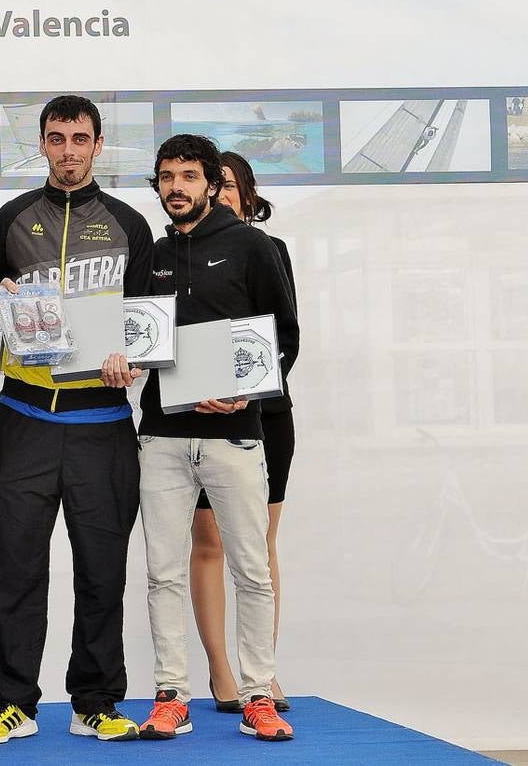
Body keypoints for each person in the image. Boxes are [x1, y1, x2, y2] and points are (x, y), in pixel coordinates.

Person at [0, 95, 155, 745]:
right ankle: (12, 703)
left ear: (99, 145)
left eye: (81, 138)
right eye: (57, 138)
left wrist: (131, 357)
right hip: (24, 418)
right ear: (42, 145)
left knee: (102, 570)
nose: (69, 150)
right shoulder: (11, 219)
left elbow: (149, 323)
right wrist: (1, 300)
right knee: (14, 568)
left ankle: (95, 702)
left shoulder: (132, 223)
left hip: (103, 422)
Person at [134, 134, 298, 743]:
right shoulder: (151, 255)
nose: (177, 187)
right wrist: (133, 362)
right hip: (163, 438)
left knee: (252, 570)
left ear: (210, 183)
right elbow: (142, 344)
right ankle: (170, 694)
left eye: (189, 177)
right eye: (167, 177)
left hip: (234, 436)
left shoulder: (253, 246)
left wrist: (247, 392)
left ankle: (259, 695)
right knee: (163, 572)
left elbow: (285, 337)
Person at [193, 151, 298, 714]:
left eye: (230, 185)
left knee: (258, 546)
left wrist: (248, 390)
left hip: (265, 416)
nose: (222, 193)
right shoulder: (178, 252)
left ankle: (264, 670)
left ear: (249, 195)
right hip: (194, 416)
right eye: (216, 184)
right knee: (207, 545)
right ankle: (220, 670)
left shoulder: (269, 251)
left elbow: (284, 336)